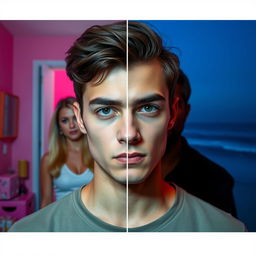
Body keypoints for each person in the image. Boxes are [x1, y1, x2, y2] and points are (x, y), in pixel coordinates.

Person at [9, 21, 246, 232]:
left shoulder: (227, 233)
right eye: (105, 110)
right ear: (81, 119)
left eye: (147, 108)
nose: (129, 134)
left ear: (173, 113)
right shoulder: (29, 236)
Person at [162, 70, 237, 217]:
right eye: (152, 106)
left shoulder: (215, 181)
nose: (166, 115)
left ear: (186, 111)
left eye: (175, 105)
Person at [40, 97, 94, 208]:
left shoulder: (97, 154)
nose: (72, 125)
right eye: (65, 120)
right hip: (62, 220)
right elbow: (46, 200)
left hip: (93, 220)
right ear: (59, 127)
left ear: (82, 120)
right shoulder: (49, 159)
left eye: (75, 118)